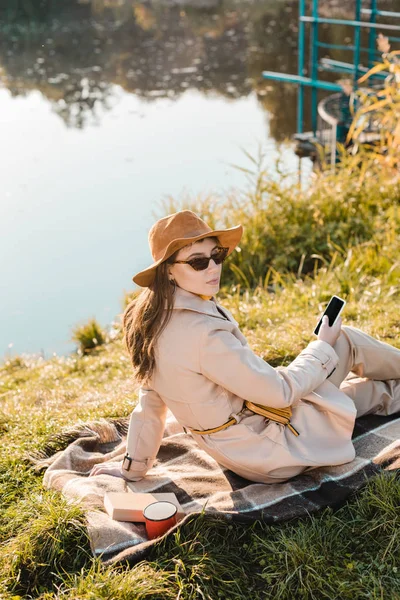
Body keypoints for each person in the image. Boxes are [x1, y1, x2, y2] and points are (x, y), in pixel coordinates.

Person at [90, 210, 400, 484]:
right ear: (168, 270)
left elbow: (150, 405)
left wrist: (133, 468)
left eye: (217, 255)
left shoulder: (150, 320)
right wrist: (322, 345)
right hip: (270, 447)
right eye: (198, 261)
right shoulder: (201, 333)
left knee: (364, 392)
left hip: (242, 445)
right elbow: (279, 392)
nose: (213, 268)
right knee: (344, 343)